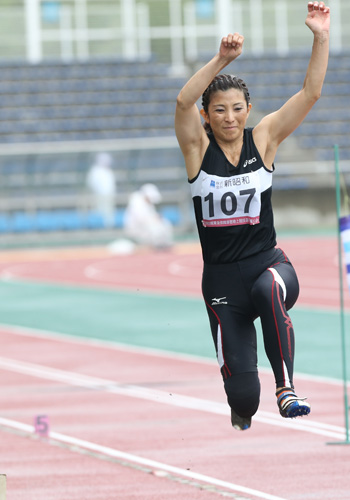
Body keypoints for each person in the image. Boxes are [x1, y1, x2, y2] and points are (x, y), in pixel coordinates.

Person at [174, 1, 330, 431]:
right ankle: (245, 399)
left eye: (238, 108)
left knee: (268, 288)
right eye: (220, 110)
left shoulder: (264, 139)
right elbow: (183, 99)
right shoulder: (197, 151)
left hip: (270, 265)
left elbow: (310, 94)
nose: (230, 117)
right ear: (207, 116)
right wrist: (222, 59)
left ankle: (287, 386)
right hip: (222, 283)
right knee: (245, 398)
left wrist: (320, 36)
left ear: (249, 110)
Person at [123, 183, 173, 249]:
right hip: (136, 229)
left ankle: (165, 244)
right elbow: (141, 219)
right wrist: (154, 219)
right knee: (155, 228)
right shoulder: (136, 202)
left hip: (145, 228)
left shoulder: (148, 203)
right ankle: (157, 246)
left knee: (165, 223)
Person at [86, 152, 117, 228]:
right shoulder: (95, 171)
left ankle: (109, 227)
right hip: (98, 196)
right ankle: (98, 227)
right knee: (98, 212)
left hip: (109, 196)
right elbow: (92, 183)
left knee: (109, 213)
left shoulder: (108, 171)